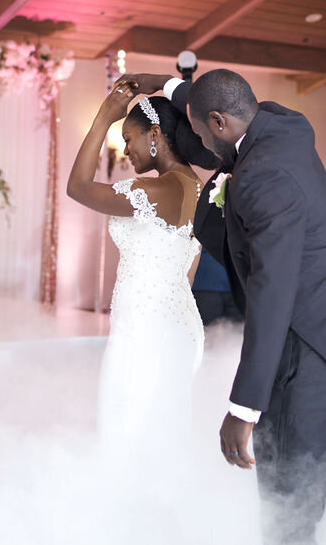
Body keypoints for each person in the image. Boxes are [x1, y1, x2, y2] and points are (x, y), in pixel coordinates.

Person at [114, 69, 326, 544]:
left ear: (221, 122)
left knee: (289, 508)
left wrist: (244, 407)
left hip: (313, 356)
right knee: (310, 504)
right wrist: (166, 86)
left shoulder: (262, 179)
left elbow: (273, 292)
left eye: (204, 135)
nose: (202, 148)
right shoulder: (284, 122)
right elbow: (212, 105)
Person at [66, 90, 218, 452]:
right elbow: (189, 269)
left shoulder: (156, 190)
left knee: (125, 430)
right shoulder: (198, 187)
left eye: (128, 138)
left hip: (144, 327)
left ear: (155, 135)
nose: (126, 150)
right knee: (165, 430)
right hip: (179, 322)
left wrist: (104, 117)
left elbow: (77, 187)